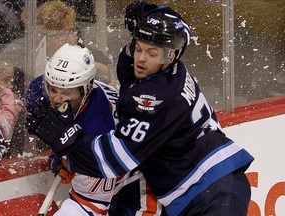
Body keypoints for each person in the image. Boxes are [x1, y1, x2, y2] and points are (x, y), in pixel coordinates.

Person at [26, 5, 254, 216]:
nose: (141, 59)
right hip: (208, 184)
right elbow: (173, 32)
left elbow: (113, 161)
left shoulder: (154, 99)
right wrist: (153, 14)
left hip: (213, 194)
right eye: (138, 48)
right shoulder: (165, 68)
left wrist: (66, 141)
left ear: (170, 56)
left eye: (151, 53)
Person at [26, 43, 119, 215]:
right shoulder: (40, 93)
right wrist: (59, 155)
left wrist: (71, 159)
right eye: (53, 89)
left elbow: (93, 202)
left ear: (87, 88)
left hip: (125, 179)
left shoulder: (98, 125)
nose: (57, 99)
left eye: (67, 92)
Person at [0, 65, 24, 161]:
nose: (11, 86)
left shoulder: (10, 102)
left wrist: (5, 93)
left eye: (12, 81)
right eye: (6, 80)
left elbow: (5, 127)